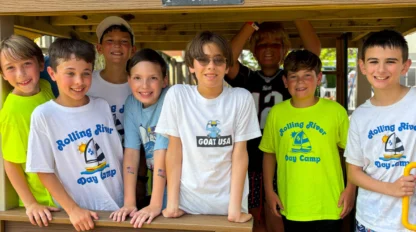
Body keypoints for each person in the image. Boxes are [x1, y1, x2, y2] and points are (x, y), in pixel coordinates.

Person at [225, 20, 321, 232]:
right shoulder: (247, 78)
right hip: (250, 160)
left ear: (285, 49)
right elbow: (227, 58)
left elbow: (314, 53)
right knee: (252, 217)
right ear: (253, 50)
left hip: (287, 159)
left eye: (276, 44)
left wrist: (296, 14)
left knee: (279, 215)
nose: (268, 49)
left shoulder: (290, 79)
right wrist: (250, 23)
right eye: (261, 44)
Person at [156, 31, 261, 222]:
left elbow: (239, 154)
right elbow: (174, 150)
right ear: (191, 66)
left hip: (229, 205)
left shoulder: (241, 98)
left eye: (218, 60)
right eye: (203, 60)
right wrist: (172, 204)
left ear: (228, 66)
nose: (211, 66)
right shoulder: (178, 96)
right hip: (186, 205)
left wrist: (235, 209)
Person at [26, 38, 124, 232]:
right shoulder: (44, 115)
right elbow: (42, 169)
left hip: (117, 209)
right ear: (52, 73)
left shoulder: (102, 106)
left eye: (85, 74)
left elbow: (116, 155)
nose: (79, 81)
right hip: (77, 215)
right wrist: (73, 210)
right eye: (70, 73)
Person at [260, 49, 356, 232]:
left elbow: (352, 154)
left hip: (329, 203)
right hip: (292, 204)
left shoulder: (335, 111)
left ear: (319, 78)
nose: (300, 82)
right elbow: (269, 154)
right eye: (294, 76)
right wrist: (269, 192)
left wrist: (350, 189)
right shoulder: (277, 113)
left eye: (307, 75)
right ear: (285, 81)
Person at [344, 29, 416, 232]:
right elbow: (354, 173)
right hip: (372, 222)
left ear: (405, 66)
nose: (381, 69)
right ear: (363, 66)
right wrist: (391, 189)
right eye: (374, 61)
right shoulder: (360, 116)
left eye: (391, 61)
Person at [0, 35, 58, 227]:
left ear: (41, 65)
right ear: (2, 74)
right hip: (45, 202)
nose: (21, 74)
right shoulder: (12, 112)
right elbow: (11, 163)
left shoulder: (45, 86)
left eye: (26, 64)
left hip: (64, 189)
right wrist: (31, 204)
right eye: (11, 68)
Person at [109, 48, 169, 228]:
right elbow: (131, 153)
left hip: (182, 184)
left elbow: (163, 152)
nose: (144, 85)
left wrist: (155, 204)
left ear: (164, 80)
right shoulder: (132, 104)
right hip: (161, 185)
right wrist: (129, 202)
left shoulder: (170, 99)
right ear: (128, 80)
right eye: (137, 78)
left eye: (153, 78)